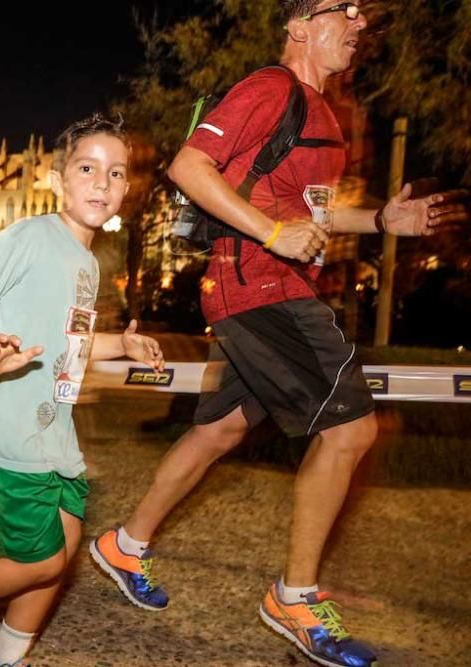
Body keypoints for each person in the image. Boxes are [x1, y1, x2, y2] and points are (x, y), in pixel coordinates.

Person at [90, 2, 469, 666]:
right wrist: (270, 235)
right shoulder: (271, 88)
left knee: (222, 428)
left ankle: (125, 542)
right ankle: (294, 595)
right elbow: (188, 167)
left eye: (361, 13)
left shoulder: (323, 115)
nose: (357, 22)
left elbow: (305, 217)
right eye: (340, 8)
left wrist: (382, 218)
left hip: (270, 282)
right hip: (260, 284)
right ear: (299, 25)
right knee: (350, 430)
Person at [0, 113, 165, 667]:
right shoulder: (29, 235)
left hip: (53, 437)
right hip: (7, 433)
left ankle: (6, 658)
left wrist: (123, 346)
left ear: (126, 190)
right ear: (57, 179)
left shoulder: (86, 261)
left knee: (57, 559)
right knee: (37, 562)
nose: (101, 182)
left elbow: (71, 347)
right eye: (87, 168)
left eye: (116, 174)